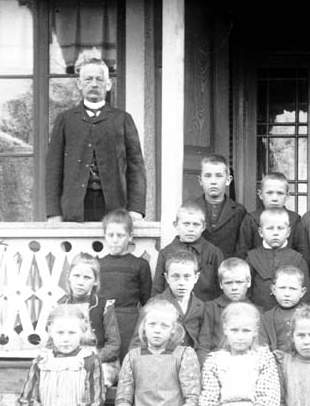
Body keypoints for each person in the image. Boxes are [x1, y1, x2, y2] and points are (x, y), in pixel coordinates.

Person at [46, 58, 146, 222]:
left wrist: (136, 209)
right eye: (88, 79)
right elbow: (53, 169)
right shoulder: (65, 120)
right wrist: (54, 213)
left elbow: (136, 168)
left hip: (114, 206)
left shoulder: (122, 119)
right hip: (75, 206)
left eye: (99, 79)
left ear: (109, 84)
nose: (94, 84)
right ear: (79, 84)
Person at [58, 253, 121, 386]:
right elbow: (53, 340)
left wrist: (94, 359)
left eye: (87, 277)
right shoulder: (61, 306)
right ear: (69, 277)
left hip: (99, 359)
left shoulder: (104, 306)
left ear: (95, 281)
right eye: (76, 276)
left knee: (94, 380)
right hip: (70, 357)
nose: (80, 282)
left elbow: (114, 344)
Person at [98, 209, 151, 360]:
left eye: (120, 235)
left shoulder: (140, 265)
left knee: (128, 359)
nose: (115, 240)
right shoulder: (98, 264)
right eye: (110, 235)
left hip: (129, 321)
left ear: (130, 236)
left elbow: (147, 300)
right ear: (104, 236)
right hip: (104, 320)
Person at [152, 202, 224, 302]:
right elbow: (158, 288)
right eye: (186, 224)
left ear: (203, 227)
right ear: (176, 225)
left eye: (196, 225)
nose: (191, 229)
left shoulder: (213, 252)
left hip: (205, 307)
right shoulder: (166, 253)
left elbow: (222, 287)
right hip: (173, 308)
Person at [246, 208, 310, 311]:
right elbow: (246, 292)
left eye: (280, 228)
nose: (275, 233)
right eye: (270, 228)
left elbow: (306, 296)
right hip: (259, 313)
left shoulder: (298, 259)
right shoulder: (252, 258)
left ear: (288, 232)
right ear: (260, 232)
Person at [140, 249, 205, 350]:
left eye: (187, 276)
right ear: (167, 278)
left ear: (196, 277)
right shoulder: (155, 303)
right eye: (175, 276)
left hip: (191, 357)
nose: (181, 282)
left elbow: (204, 342)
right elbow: (139, 340)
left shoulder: (200, 306)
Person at [236, 173, 310, 261]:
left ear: (287, 195)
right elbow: (243, 252)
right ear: (260, 194)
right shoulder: (251, 219)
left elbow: (303, 253)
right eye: (269, 193)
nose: (274, 198)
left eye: (280, 193)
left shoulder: (294, 219)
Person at [197, 257, 252, 364]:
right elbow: (204, 344)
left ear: (248, 282)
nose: (234, 287)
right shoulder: (211, 308)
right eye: (228, 283)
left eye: (239, 282)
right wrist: (207, 367)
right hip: (217, 363)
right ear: (221, 284)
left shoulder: (255, 311)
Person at [195, 154, 247, 259]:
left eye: (219, 176)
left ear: (228, 180)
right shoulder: (191, 210)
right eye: (208, 176)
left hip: (228, 266)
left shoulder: (239, 211)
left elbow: (242, 247)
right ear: (200, 180)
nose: (213, 182)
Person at [260, 266, 307, 352]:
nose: (287, 294)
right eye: (282, 288)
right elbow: (262, 346)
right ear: (273, 290)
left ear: (302, 292)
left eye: (292, 289)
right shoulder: (266, 318)